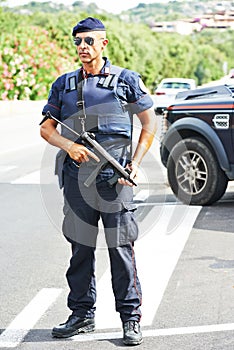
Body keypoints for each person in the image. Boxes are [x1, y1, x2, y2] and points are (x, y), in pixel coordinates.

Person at [40, 17, 157, 346]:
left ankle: (130, 319)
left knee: (121, 250)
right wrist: (70, 146)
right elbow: (46, 128)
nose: (82, 47)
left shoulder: (125, 81)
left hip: (114, 181)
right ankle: (81, 315)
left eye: (89, 41)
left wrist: (135, 163)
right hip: (77, 181)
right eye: (78, 42)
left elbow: (149, 124)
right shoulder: (63, 84)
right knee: (80, 250)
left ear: (104, 44)